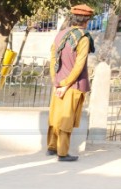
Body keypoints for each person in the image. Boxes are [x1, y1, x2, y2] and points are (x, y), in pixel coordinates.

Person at [47, 4, 95, 162]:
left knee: (55, 117)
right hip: (72, 86)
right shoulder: (83, 38)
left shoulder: (60, 34)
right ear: (86, 21)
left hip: (58, 84)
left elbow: (53, 59)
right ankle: (62, 153)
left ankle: (52, 147)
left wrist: (57, 82)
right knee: (66, 119)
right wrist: (66, 85)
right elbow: (79, 66)